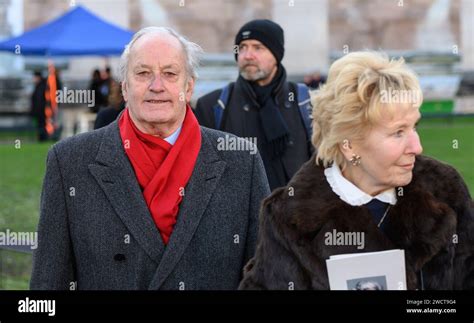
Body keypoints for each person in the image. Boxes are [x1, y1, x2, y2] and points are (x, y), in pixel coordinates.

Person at [30, 26, 270, 290]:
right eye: (143, 73)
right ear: (124, 88)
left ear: (188, 87)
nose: (157, 86)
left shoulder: (242, 162)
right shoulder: (69, 163)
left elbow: (264, 279)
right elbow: (48, 286)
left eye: (170, 73)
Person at [239, 51, 474, 290]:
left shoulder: (446, 189)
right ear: (349, 145)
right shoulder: (288, 217)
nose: (417, 146)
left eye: (414, 126)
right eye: (398, 132)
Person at [194, 19, 312, 191]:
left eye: (258, 47)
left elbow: (325, 166)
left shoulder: (306, 102)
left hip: (296, 213)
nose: (248, 55)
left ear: (276, 55)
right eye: (242, 47)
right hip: (236, 215)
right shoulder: (213, 105)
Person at [30, 71, 48, 141]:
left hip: (41, 111)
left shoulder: (41, 87)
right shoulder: (39, 86)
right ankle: (42, 138)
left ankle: (43, 138)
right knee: (40, 125)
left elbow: (39, 100)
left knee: (42, 125)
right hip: (40, 111)